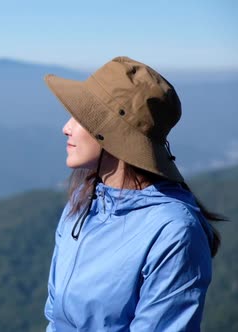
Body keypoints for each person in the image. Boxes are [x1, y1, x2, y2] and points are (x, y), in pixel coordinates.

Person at [43, 56, 224, 331]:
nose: (65, 128)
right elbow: (55, 319)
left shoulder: (174, 231)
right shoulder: (81, 204)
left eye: (80, 117)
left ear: (111, 135)